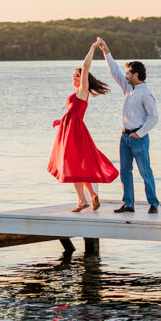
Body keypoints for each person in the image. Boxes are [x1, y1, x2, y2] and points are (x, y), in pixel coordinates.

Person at [47, 39, 118, 211]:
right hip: (69, 129)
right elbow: (72, 113)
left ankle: (82, 201)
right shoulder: (75, 93)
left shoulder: (82, 91)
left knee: (72, 164)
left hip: (75, 131)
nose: (75, 76)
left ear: (84, 79)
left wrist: (93, 47)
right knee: (77, 164)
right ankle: (91, 195)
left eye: (77, 75)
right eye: (74, 75)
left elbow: (85, 66)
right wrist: (61, 121)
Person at [98, 37, 160, 213]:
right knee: (125, 172)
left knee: (144, 171)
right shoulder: (128, 87)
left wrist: (140, 133)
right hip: (125, 136)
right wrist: (105, 51)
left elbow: (154, 117)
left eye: (128, 74)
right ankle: (128, 204)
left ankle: (153, 203)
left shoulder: (145, 94)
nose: (125, 76)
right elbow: (115, 71)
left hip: (138, 138)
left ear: (136, 75)